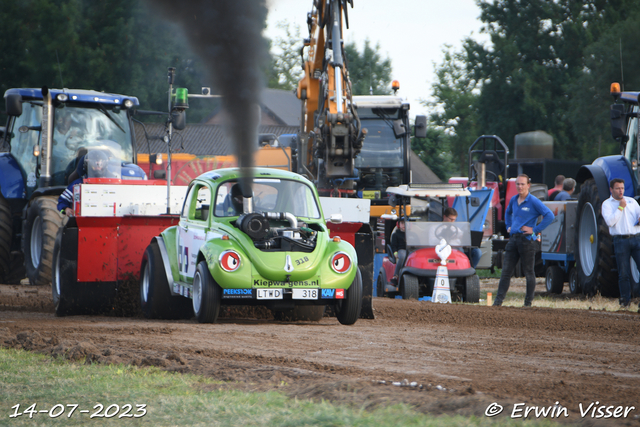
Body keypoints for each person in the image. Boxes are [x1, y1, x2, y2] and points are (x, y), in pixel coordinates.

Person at [493, 174, 554, 307]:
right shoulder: (514, 200)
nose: (520, 187)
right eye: (518, 184)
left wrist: (535, 229)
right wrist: (508, 226)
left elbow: (550, 215)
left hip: (527, 240)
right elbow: (507, 212)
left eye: (522, 184)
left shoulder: (533, 201)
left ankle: (527, 304)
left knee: (528, 272)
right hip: (513, 239)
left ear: (528, 185)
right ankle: (497, 303)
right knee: (506, 272)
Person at [601, 178, 640, 308]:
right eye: (618, 188)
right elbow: (610, 222)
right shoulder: (607, 204)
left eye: (622, 188)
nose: (621, 191)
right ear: (611, 190)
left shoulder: (632, 201)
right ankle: (625, 302)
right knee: (624, 273)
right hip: (620, 240)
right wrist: (620, 208)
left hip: (636, 238)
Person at [57, 150, 109, 216]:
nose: (98, 164)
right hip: (82, 221)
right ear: (88, 164)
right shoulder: (77, 184)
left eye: (101, 162)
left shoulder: (113, 184)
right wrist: (66, 209)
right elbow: (62, 201)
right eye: (95, 163)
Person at [389, 219, 406, 285]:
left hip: (410, 250)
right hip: (401, 250)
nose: (404, 225)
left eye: (405, 223)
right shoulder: (395, 235)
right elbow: (394, 245)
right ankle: (395, 276)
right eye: (402, 223)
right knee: (402, 256)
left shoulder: (411, 234)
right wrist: (395, 252)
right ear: (398, 224)